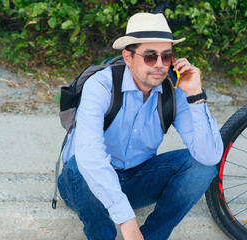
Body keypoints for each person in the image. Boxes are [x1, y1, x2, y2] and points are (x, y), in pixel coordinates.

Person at [57, 13, 223, 240]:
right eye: (150, 56)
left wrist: (195, 94)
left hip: (136, 180)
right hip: (83, 184)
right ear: (128, 57)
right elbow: (90, 158)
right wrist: (127, 221)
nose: (159, 65)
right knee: (81, 163)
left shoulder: (174, 92)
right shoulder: (102, 86)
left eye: (166, 57)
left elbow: (209, 156)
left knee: (201, 168)